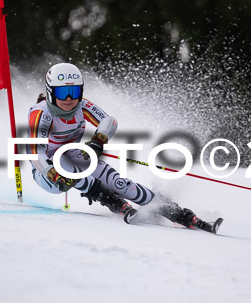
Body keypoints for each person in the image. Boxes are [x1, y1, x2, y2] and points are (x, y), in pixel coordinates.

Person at [27, 62, 223, 234]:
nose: (69, 98)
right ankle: (113, 202)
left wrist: (98, 140)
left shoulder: (82, 106)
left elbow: (108, 121)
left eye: (75, 91)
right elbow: (36, 152)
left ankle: (176, 212)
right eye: (62, 92)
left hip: (71, 154)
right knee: (73, 174)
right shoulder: (41, 113)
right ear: (51, 91)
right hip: (45, 168)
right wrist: (52, 172)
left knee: (118, 182)